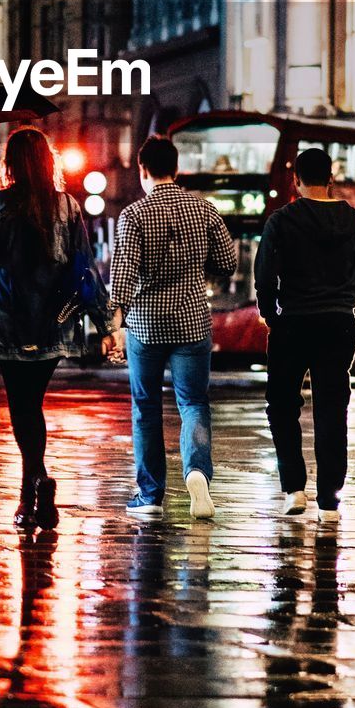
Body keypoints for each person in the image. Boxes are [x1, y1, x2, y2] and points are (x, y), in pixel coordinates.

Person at [0, 127, 112, 531]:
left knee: (22, 407)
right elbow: (84, 268)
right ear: (48, 161)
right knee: (32, 403)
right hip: (55, 323)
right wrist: (105, 324)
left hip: (10, 322)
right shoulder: (69, 207)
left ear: (11, 164)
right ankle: (33, 485)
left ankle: (33, 483)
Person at [109, 135, 237, 521]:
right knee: (193, 403)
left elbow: (123, 277)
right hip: (192, 321)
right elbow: (227, 262)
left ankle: (150, 495)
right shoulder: (204, 210)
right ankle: (197, 471)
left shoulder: (133, 215)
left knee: (146, 407)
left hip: (146, 325)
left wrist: (115, 324)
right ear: (177, 170)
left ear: (143, 171)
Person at [254, 147, 355, 522]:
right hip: (338, 324)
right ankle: (329, 498)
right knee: (331, 409)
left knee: (281, 405)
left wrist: (270, 313)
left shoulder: (282, 220)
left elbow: (264, 274)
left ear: (296, 182)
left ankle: (295, 487)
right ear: (331, 179)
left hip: (292, 322)